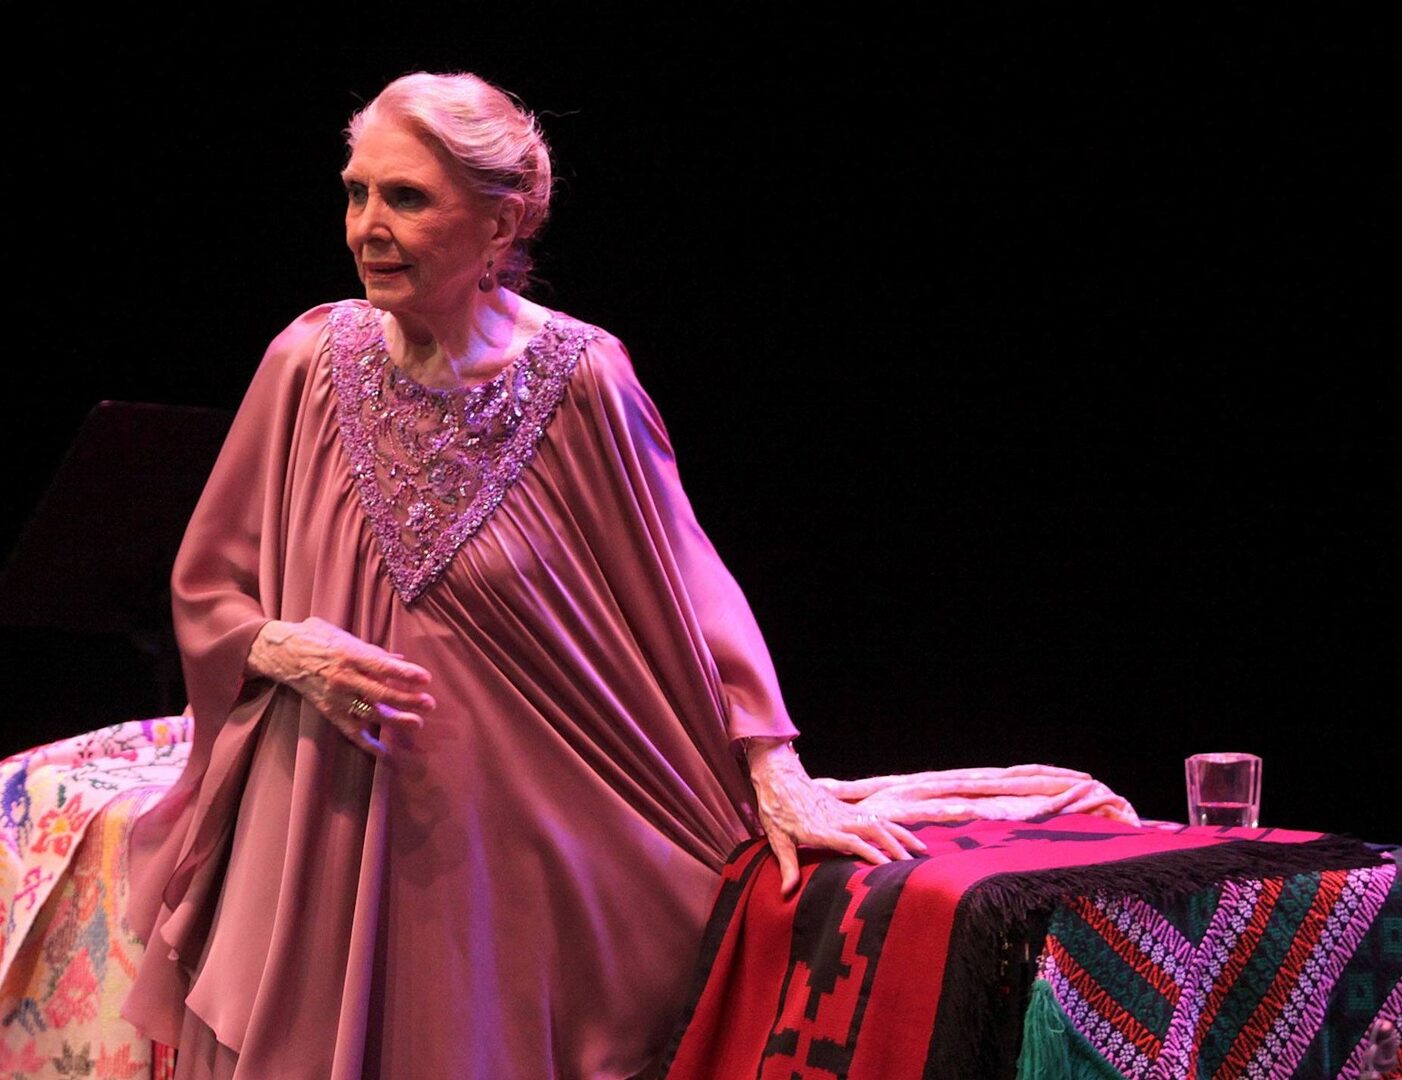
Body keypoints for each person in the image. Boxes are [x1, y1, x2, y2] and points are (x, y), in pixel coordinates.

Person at [120, 71, 925, 1079]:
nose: (367, 227)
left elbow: (687, 583)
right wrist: (285, 647)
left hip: (504, 861)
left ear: (499, 226)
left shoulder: (584, 379)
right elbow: (206, 587)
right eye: (356, 192)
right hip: (324, 826)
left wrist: (773, 764)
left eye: (406, 198)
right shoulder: (306, 359)